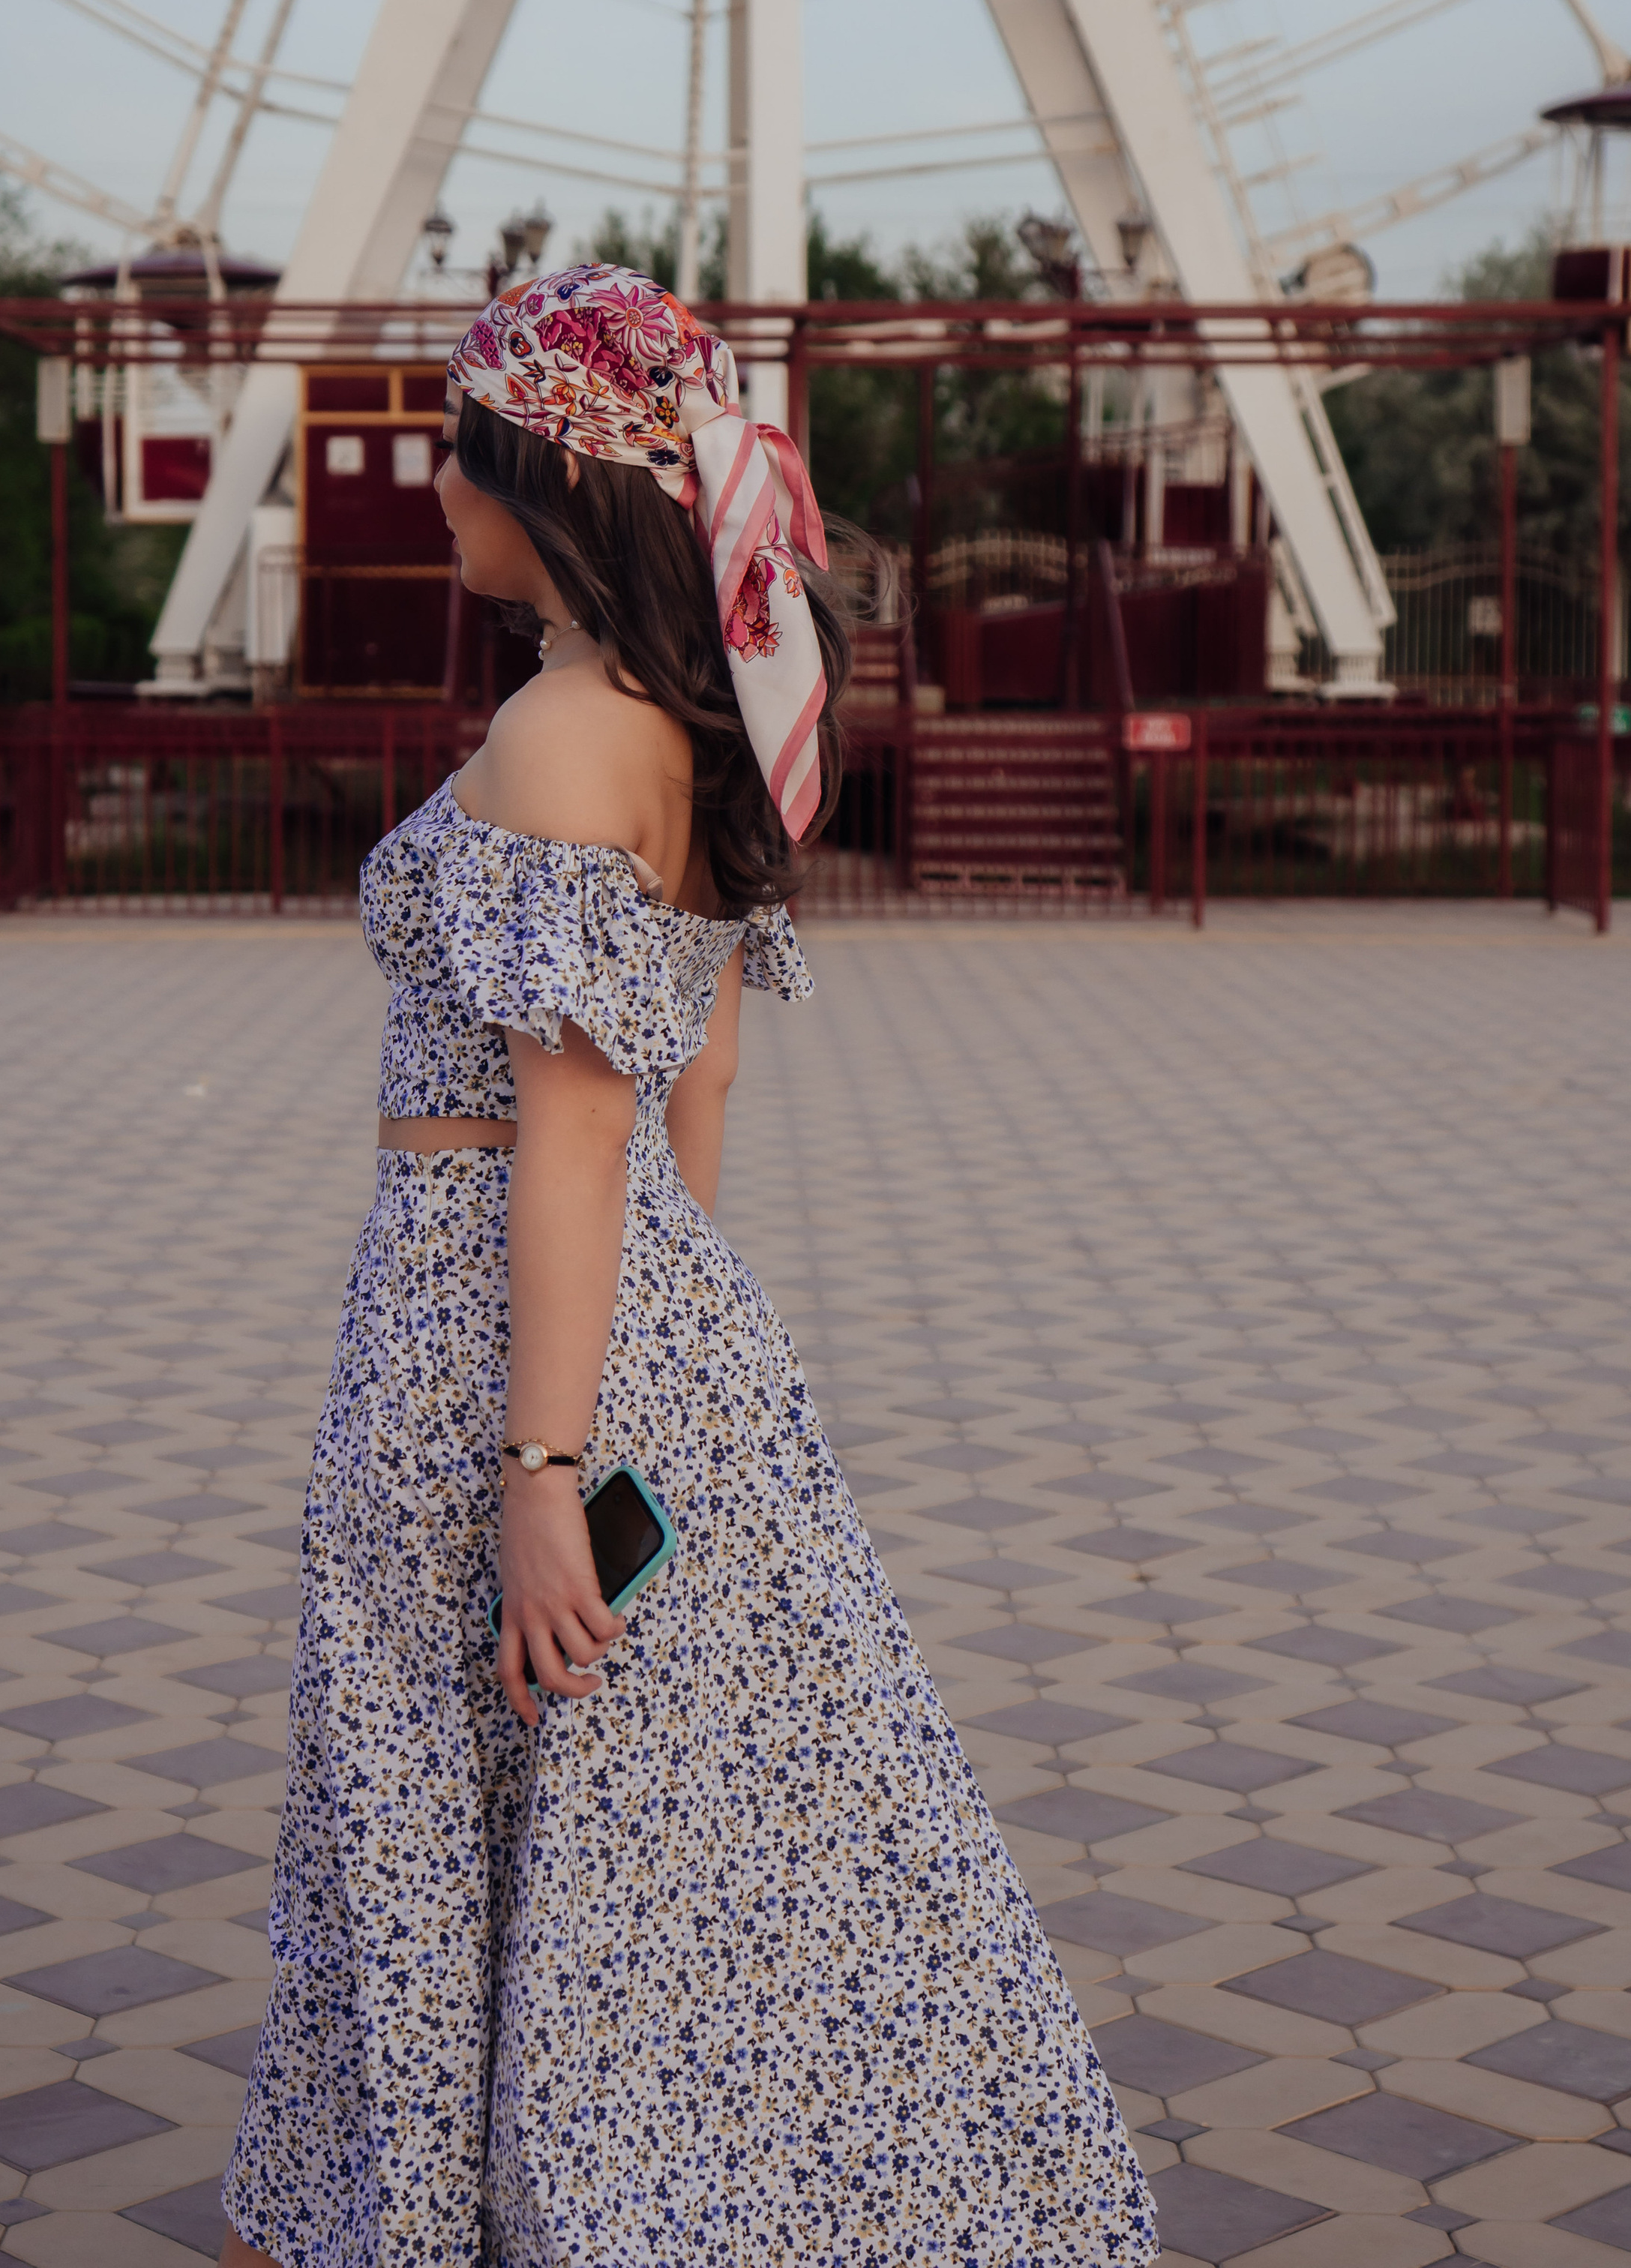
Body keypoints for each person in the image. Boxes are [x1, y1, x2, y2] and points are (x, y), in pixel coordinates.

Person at [220, 266, 1155, 2268]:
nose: (433, 494)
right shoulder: (683, 711)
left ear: (545, 472)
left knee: (435, 1763)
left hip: (492, 1308)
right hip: (632, 1303)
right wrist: (664, 1342)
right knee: (664, 1813)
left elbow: (576, 1122)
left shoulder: (565, 730)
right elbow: (696, 1076)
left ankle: (422, 2210)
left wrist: (545, 1467)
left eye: (459, 456)